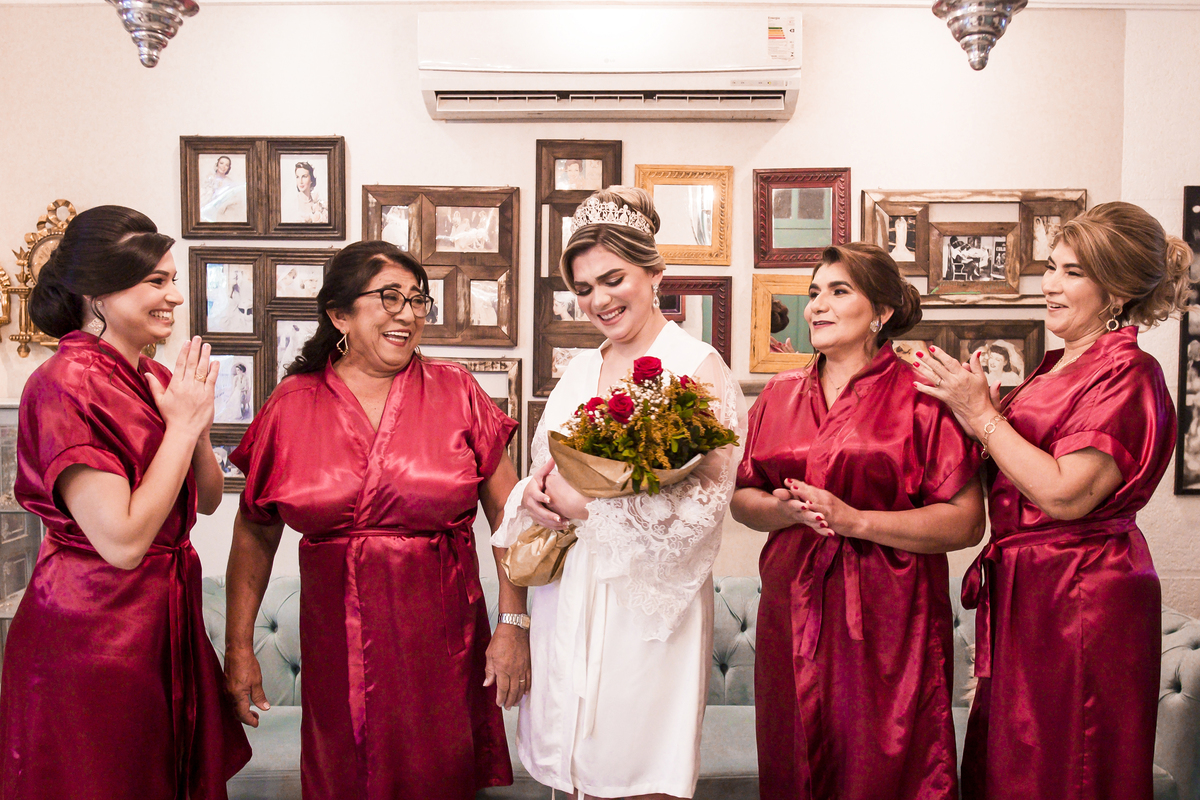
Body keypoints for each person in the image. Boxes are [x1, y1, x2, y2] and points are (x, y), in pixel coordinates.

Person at [222, 241, 525, 800]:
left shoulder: (456, 389)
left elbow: (512, 515)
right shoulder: (291, 405)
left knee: (441, 780)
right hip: (337, 645)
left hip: (443, 643)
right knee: (345, 778)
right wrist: (238, 648)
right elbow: (255, 533)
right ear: (339, 315)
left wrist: (513, 624)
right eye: (390, 297)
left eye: (417, 299)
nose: (408, 314)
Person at [913, 201, 1193, 800]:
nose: (1051, 285)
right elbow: (1018, 469)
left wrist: (983, 415)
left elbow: (1065, 494)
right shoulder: (1058, 367)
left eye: (1073, 273)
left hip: (1082, 590)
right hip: (1035, 585)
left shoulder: (1129, 372)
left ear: (1117, 291)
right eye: (1052, 267)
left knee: (1070, 767)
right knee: (1018, 762)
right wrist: (970, 414)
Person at [494, 187, 745, 800]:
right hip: (565, 595)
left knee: (636, 772)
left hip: (645, 608)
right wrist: (531, 493)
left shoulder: (696, 365)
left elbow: (705, 506)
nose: (599, 300)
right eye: (583, 289)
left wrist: (587, 507)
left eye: (613, 280)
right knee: (570, 771)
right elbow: (544, 468)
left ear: (654, 273)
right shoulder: (579, 370)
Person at [0, 205, 251, 798]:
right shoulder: (65, 382)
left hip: (162, 617)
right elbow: (122, 542)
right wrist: (181, 428)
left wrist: (196, 424)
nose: (175, 297)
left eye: (173, 280)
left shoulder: (150, 376)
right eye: (156, 281)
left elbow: (208, 499)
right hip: (94, 631)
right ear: (99, 293)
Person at [730, 242, 986, 800]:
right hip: (791, 607)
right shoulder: (778, 394)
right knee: (796, 758)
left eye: (839, 291)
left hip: (892, 613)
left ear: (881, 312)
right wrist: (781, 510)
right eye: (814, 293)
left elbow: (966, 523)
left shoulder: (923, 395)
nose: (817, 306)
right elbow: (743, 497)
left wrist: (856, 521)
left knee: (889, 764)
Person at [200, 154, 245, 222]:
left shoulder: (229, 182)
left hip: (219, 213)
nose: (223, 167)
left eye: (226, 165)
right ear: (217, 164)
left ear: (228, 168)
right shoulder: (209, 178)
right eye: (221, 163)